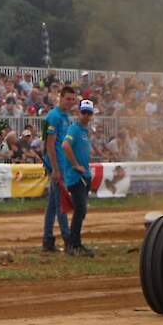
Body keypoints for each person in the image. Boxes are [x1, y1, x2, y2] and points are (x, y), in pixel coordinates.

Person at [42, 87, 75, 252]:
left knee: (53, 206)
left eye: (72, 99)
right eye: (67, 99)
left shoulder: (66, 117)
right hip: (56, 166)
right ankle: (68, 240)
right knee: (61, 204)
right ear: (60, 97)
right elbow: (50, 145)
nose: (70, 102)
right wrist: (55, 169)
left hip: (61, 165)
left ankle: (47, 240)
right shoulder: (54, 117)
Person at [62, 99, 96, 257]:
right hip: (76, 177)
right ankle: (74, 245)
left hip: (84, 176)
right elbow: (65, 145)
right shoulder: (74, 129)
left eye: (89, 113)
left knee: (81, 212)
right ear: (79, 112)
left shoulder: (84, 131)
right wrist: (75, 164)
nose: (86, 115)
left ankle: (74, 243)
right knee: (80, 210)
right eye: (84, 112)